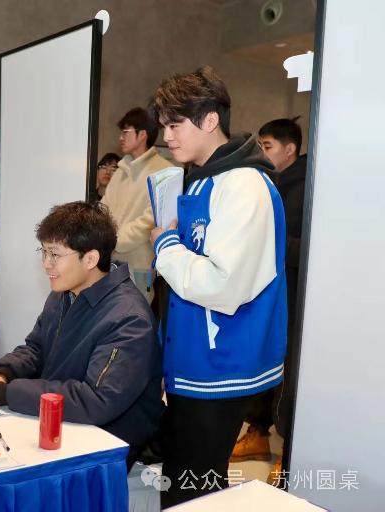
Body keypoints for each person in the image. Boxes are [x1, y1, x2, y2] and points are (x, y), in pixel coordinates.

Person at [149, 66, 287, 507]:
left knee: (194, 488)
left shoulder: (244, 185)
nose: (167, 136)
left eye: (175, 125)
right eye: (164, 125)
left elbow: (224, 285)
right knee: (181, 478)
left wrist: (165, 246)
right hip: (194, 353)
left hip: (220, 360)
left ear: (210, 120)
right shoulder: (205, 177)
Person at [0, 202, 163, 468]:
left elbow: (97, 400)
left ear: (90, 259)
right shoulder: (64, 293)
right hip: (61, 419)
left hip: (105, 441)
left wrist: (8, 393)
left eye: (55, 254)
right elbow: (36, 348)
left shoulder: (128, 317)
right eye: (44, 252)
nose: (46, 264)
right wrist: (4, 374)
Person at [232, 118, 307, 479]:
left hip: (294, 294)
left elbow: (308, 249)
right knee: (262, 357)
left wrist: (269, 240)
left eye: (268, 146)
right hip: (267, 289)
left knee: (290, 371)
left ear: (289, 149)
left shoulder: (307, 186)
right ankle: (258, 433)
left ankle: (291, 451)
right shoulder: (268, 184)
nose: (261, 152)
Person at [100, 107, 173, 302]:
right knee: (110, 313)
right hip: (110, 260)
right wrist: (102, 240)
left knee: (137, 313)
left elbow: (151, 221)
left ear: (142, 135)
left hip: (141, 265)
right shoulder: (121, 171)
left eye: (126, 132)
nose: (120, 138)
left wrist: (114, 241)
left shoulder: (164, 171)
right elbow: (103, 209)